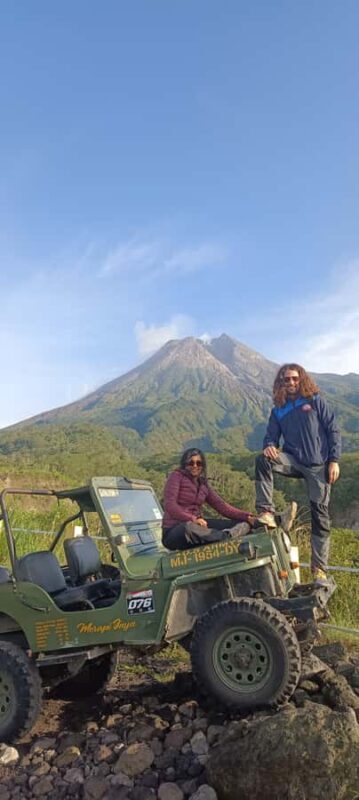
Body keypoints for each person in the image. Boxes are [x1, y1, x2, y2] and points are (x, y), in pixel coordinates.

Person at [255, 363, 341, 584]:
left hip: (318, 465)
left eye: (294, 378)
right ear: (281, 383)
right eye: (286, 379)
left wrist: (334, 460)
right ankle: (266, 511)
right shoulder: (278, 410)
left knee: (320, 517)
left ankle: (319, 569)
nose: (291, 382)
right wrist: (269, 445)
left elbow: (332, 429)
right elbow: (270, 437)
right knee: (263, 459)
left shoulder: (314, 400)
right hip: (293, 461)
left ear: (301, 379)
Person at [162, 447, 256, 551]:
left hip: (197, 526)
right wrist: (193, 519)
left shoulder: (203, 484)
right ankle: (224, 537)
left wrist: (247, 516)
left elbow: (222, 506)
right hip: (174, 531)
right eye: (191, 463)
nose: (195, 466)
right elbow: (170, 505)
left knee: (239, 523)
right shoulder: (176, 476)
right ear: (184, 464)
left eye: (199, 463)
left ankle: (227, 535)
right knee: (188, 527)